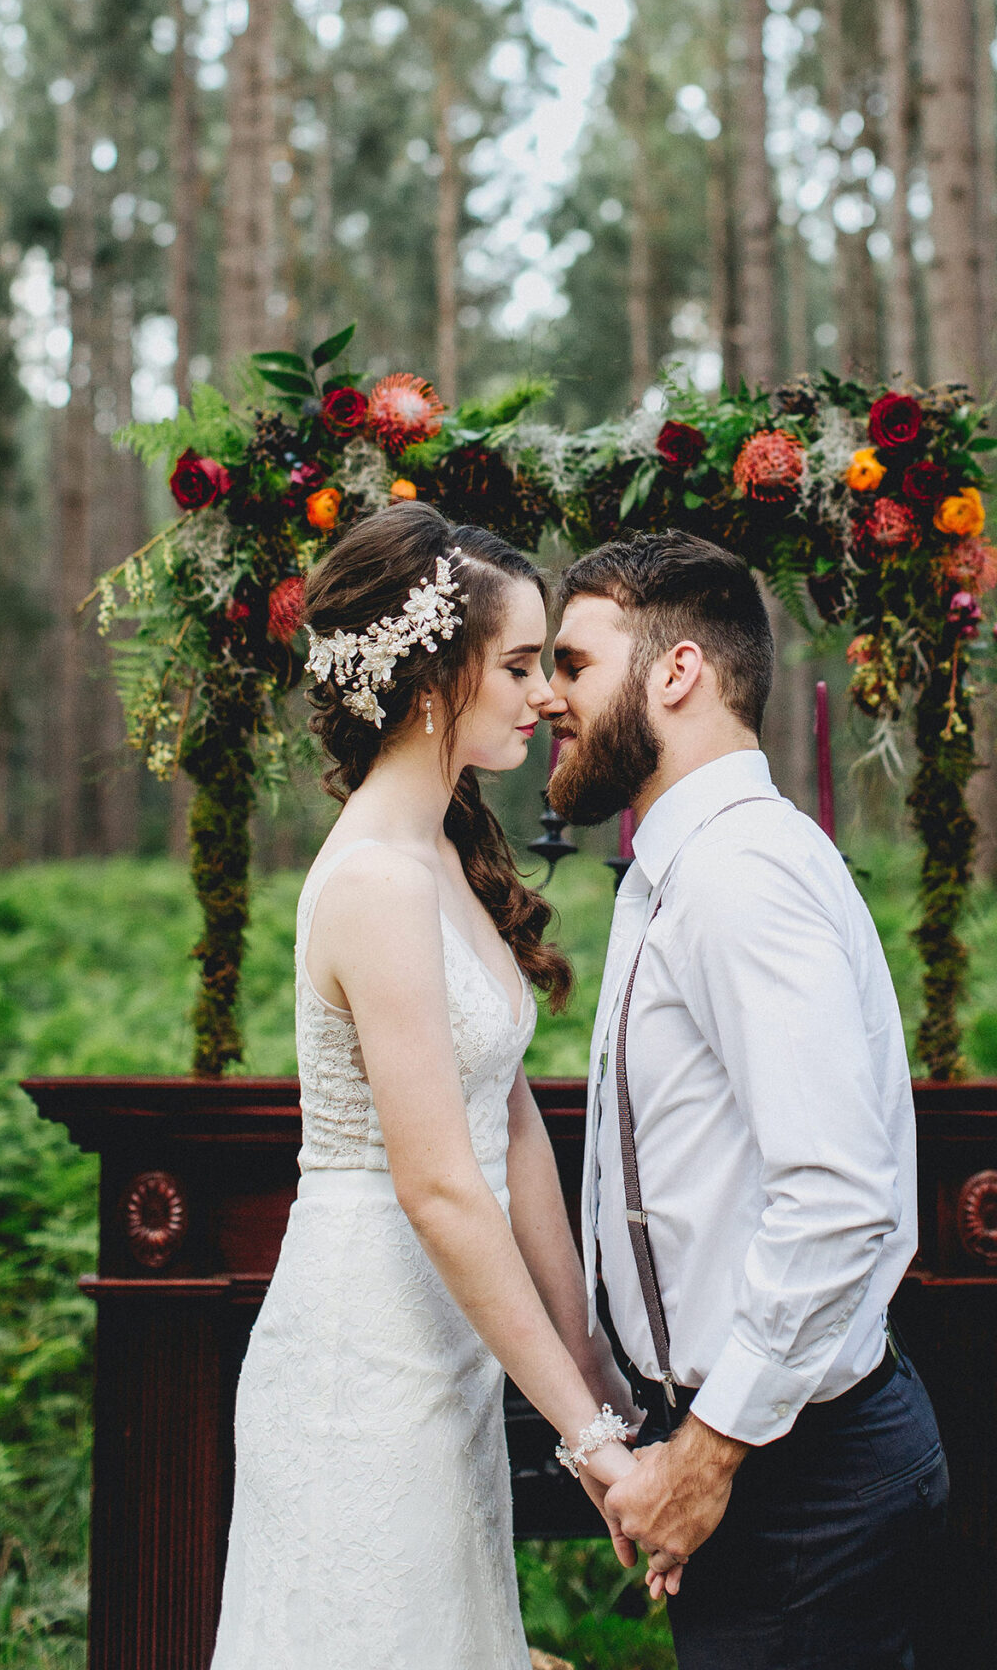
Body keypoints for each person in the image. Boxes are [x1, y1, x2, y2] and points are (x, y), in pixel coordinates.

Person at [210, 504, 663, 1670]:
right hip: (363, 1356)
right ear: (432, 675)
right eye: (519, 664)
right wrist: (591, 1443)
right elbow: (441, 1187)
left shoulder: (444, 859)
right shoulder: (372, 878)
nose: (548, 694)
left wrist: (592, 1361)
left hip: (447, 1349)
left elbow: (511, 1133)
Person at [546, 530, 948, 1670]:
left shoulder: (739, 877)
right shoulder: (677, 870)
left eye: (573, 663)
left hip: (803, 1478)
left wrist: (710, 1453)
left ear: (676, 671)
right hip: (757, 1456)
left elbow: (835, 1195)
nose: (547, 699)